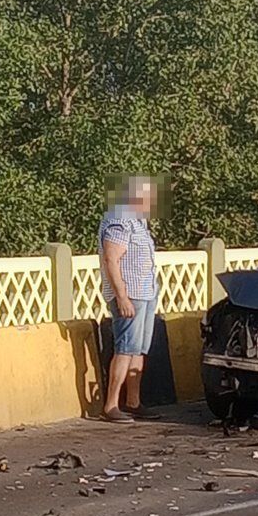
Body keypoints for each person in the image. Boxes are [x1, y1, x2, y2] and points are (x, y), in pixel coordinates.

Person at [98, 175, 159, 423]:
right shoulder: (119, 218)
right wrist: (121, 296)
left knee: (138, 350)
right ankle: (111, 405)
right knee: (125, 348)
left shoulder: (139, 221)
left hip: (145, 293)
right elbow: (111, 258)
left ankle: (133, 402)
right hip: (130, 294)